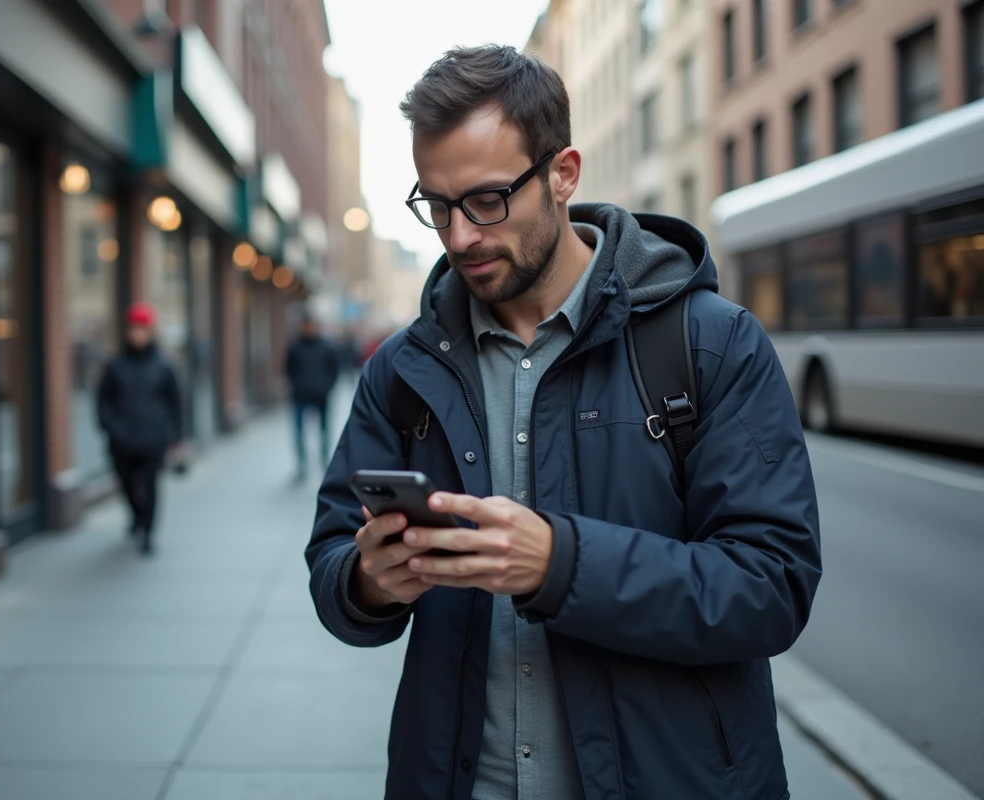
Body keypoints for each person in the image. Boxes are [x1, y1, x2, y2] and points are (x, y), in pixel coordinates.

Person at [305, 44, 822, 800]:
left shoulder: (711, 342)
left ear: (562, 174)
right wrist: (370, 583)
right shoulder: (403, 368)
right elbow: (330, 566)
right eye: (437, 204)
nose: (458, 237)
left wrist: (560, 565)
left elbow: (771, 587)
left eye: (486, 200)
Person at [97, 302, 183, 556]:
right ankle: (136, 516)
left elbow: (175, 403)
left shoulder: (164, 366)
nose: (138, 334)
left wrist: (175, 435)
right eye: (134, 329)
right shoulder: (115, 365)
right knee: (125, 485)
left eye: (143, 329)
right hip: (122, 441)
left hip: (153, 439)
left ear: (150, 331)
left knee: (150, 486)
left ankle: (147, 532)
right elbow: (103, 402)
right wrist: (111, 427)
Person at [285, 314, 342, 481]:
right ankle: (302, 464)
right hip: (300, 396)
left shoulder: (326, 347)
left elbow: (334, 369)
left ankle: (324, 460)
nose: (308, 329)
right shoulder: (294, 346)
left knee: (324, 430)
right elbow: (289, 369)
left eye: (311, 325)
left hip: (321, 395)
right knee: (299, 431)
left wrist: (327, 387)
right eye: (306, 325)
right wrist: (296, 385)